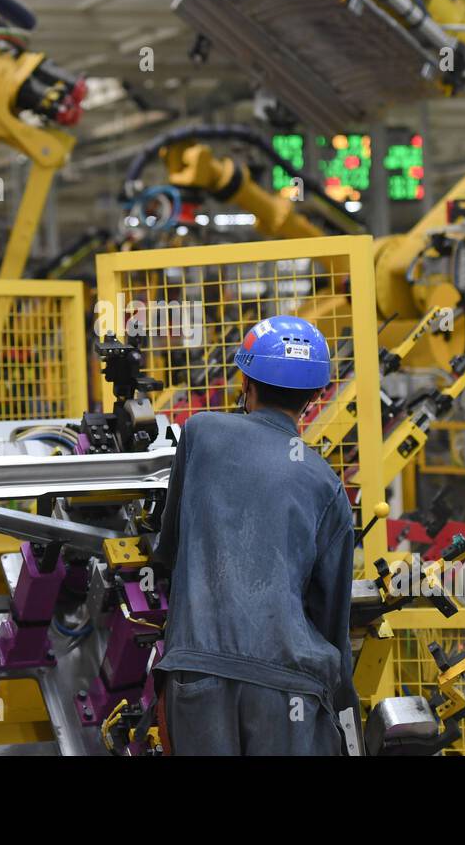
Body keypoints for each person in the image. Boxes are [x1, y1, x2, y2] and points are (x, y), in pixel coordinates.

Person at [152, 315, 360, 755]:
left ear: (244, 378)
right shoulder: (325, 483)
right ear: (317, 396)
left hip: (198, 675)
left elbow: (167, 551)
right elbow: (332, 616)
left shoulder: (202, 433)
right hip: (288, 689)